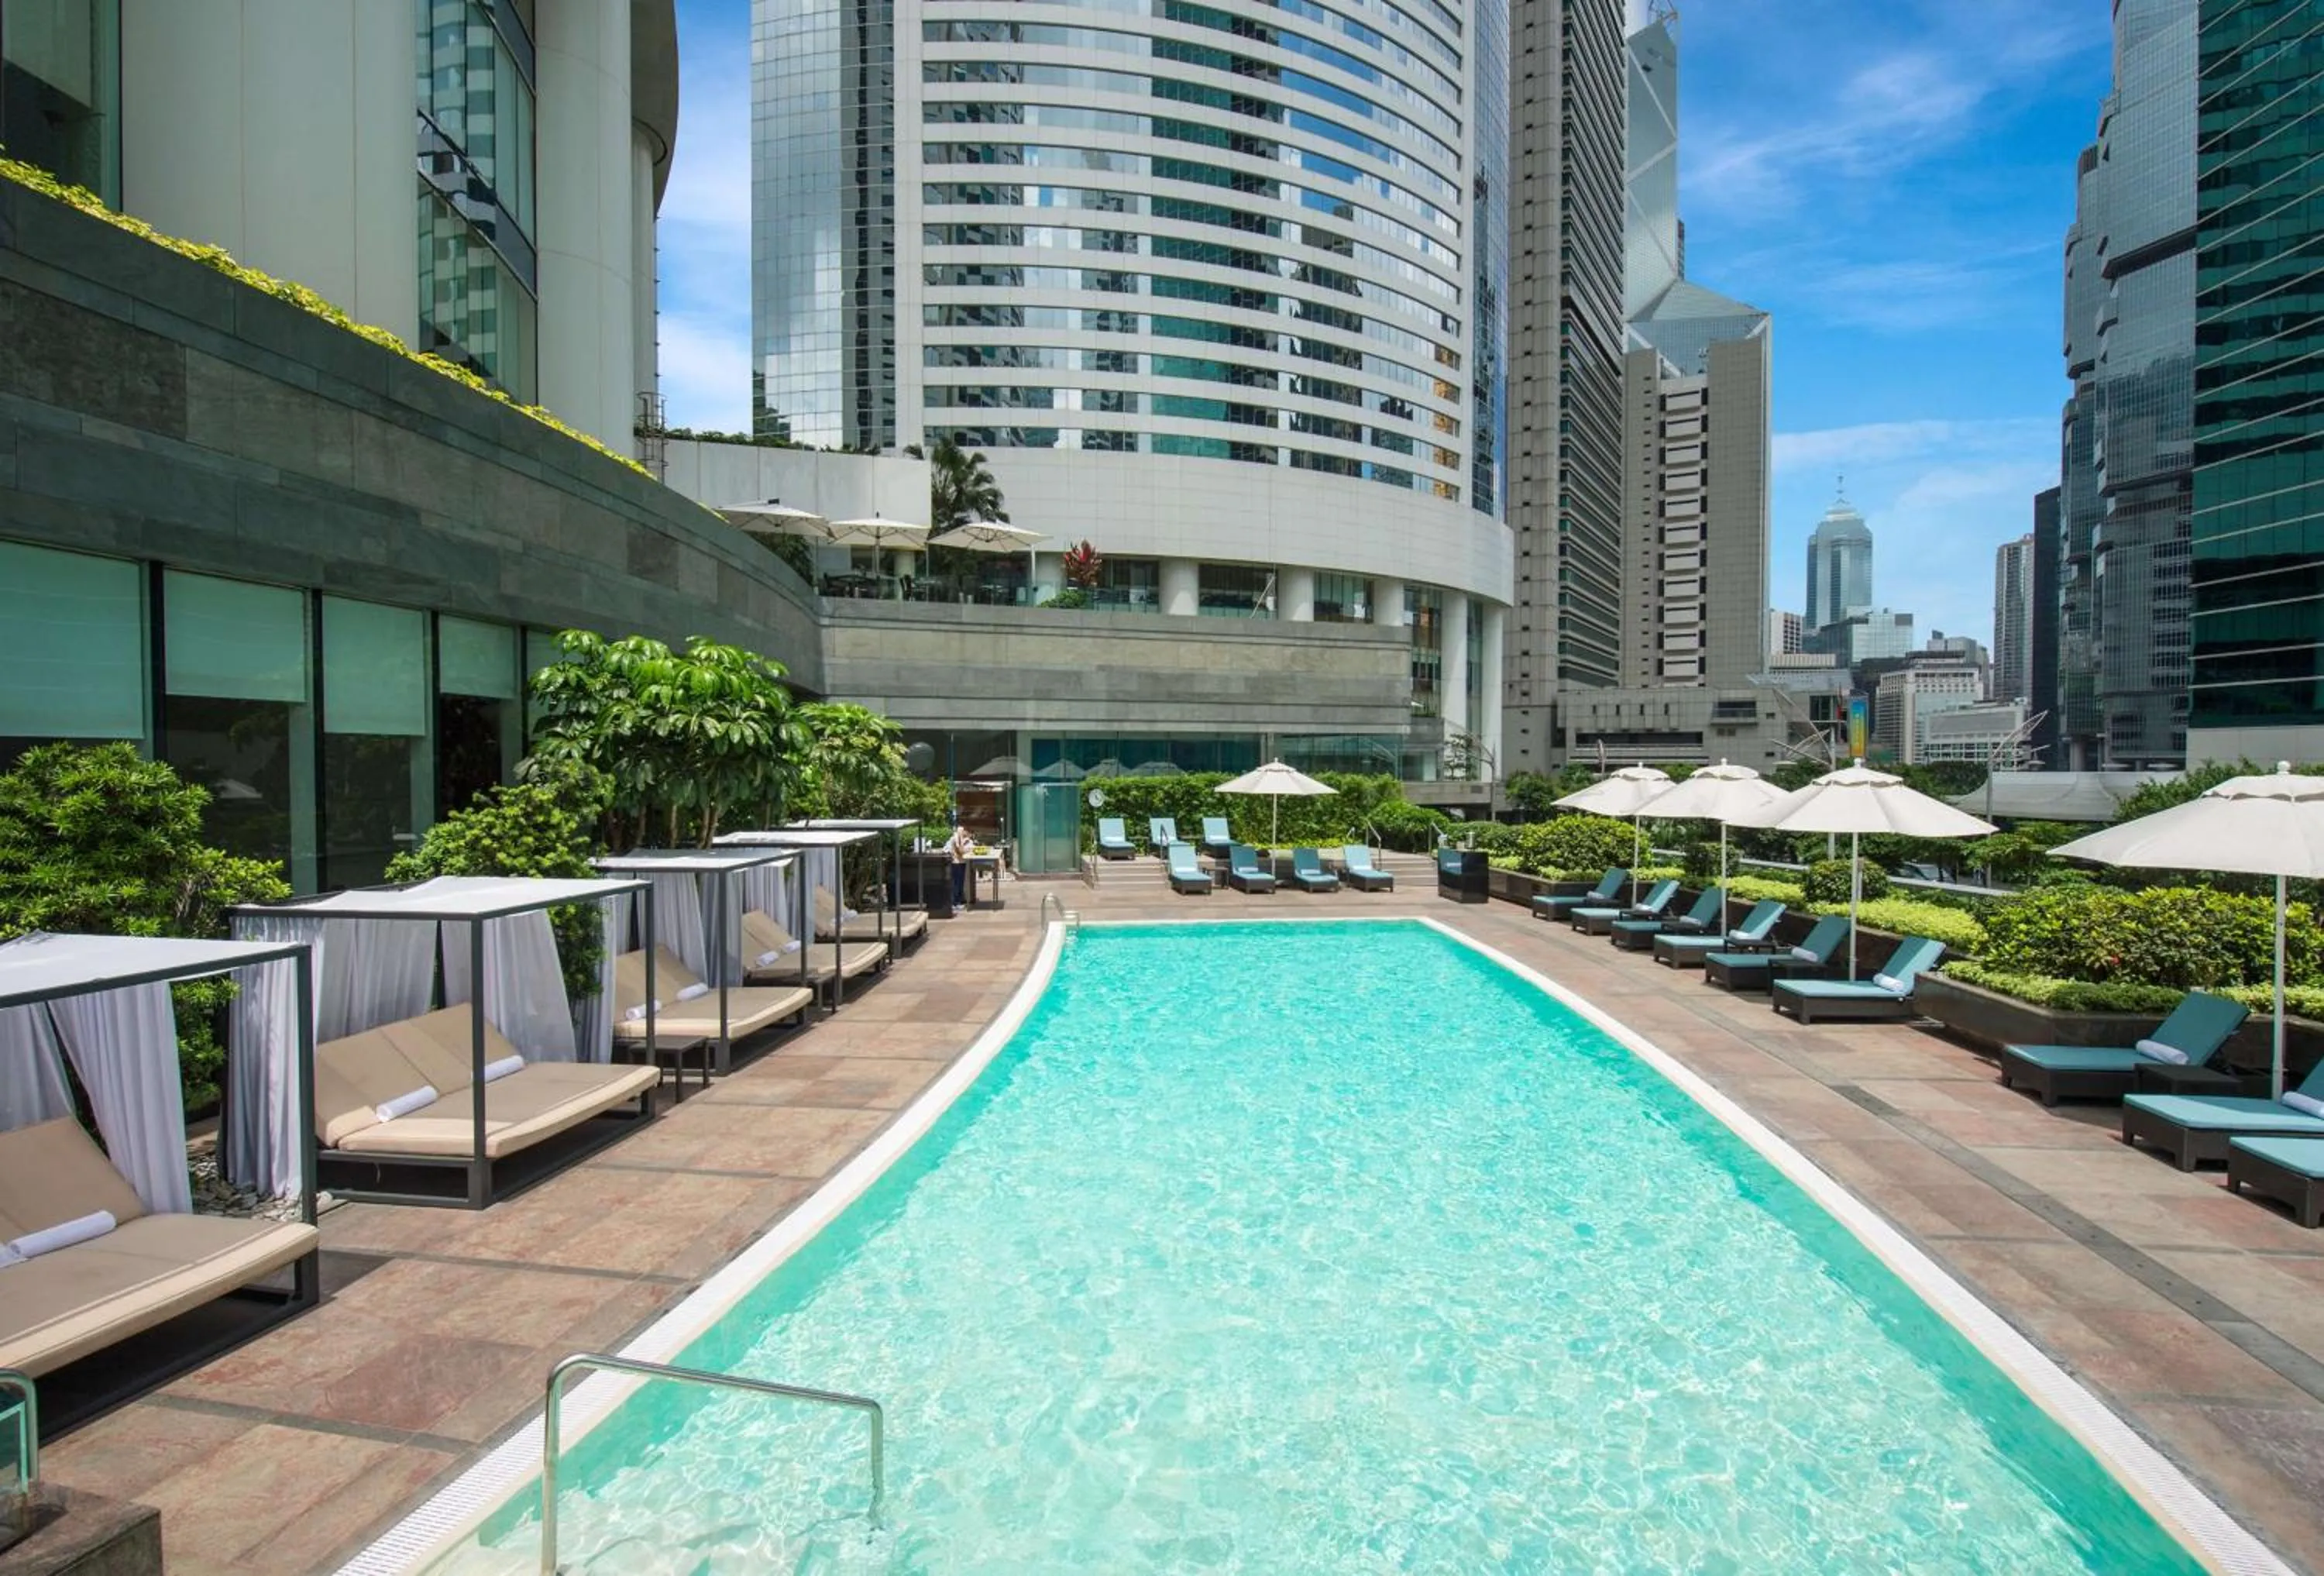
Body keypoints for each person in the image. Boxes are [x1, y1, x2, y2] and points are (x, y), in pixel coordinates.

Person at [947, 821, 976, 907]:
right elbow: (959, 851)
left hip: (962, 862)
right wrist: (965, 848)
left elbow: (971, 848)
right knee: (957, 883)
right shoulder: (955, 839)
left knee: (961, 882)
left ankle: (959, 900)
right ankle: (955, 902)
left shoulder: (967, 840)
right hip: (956, 863)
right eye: (963, 831)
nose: (965, 833)